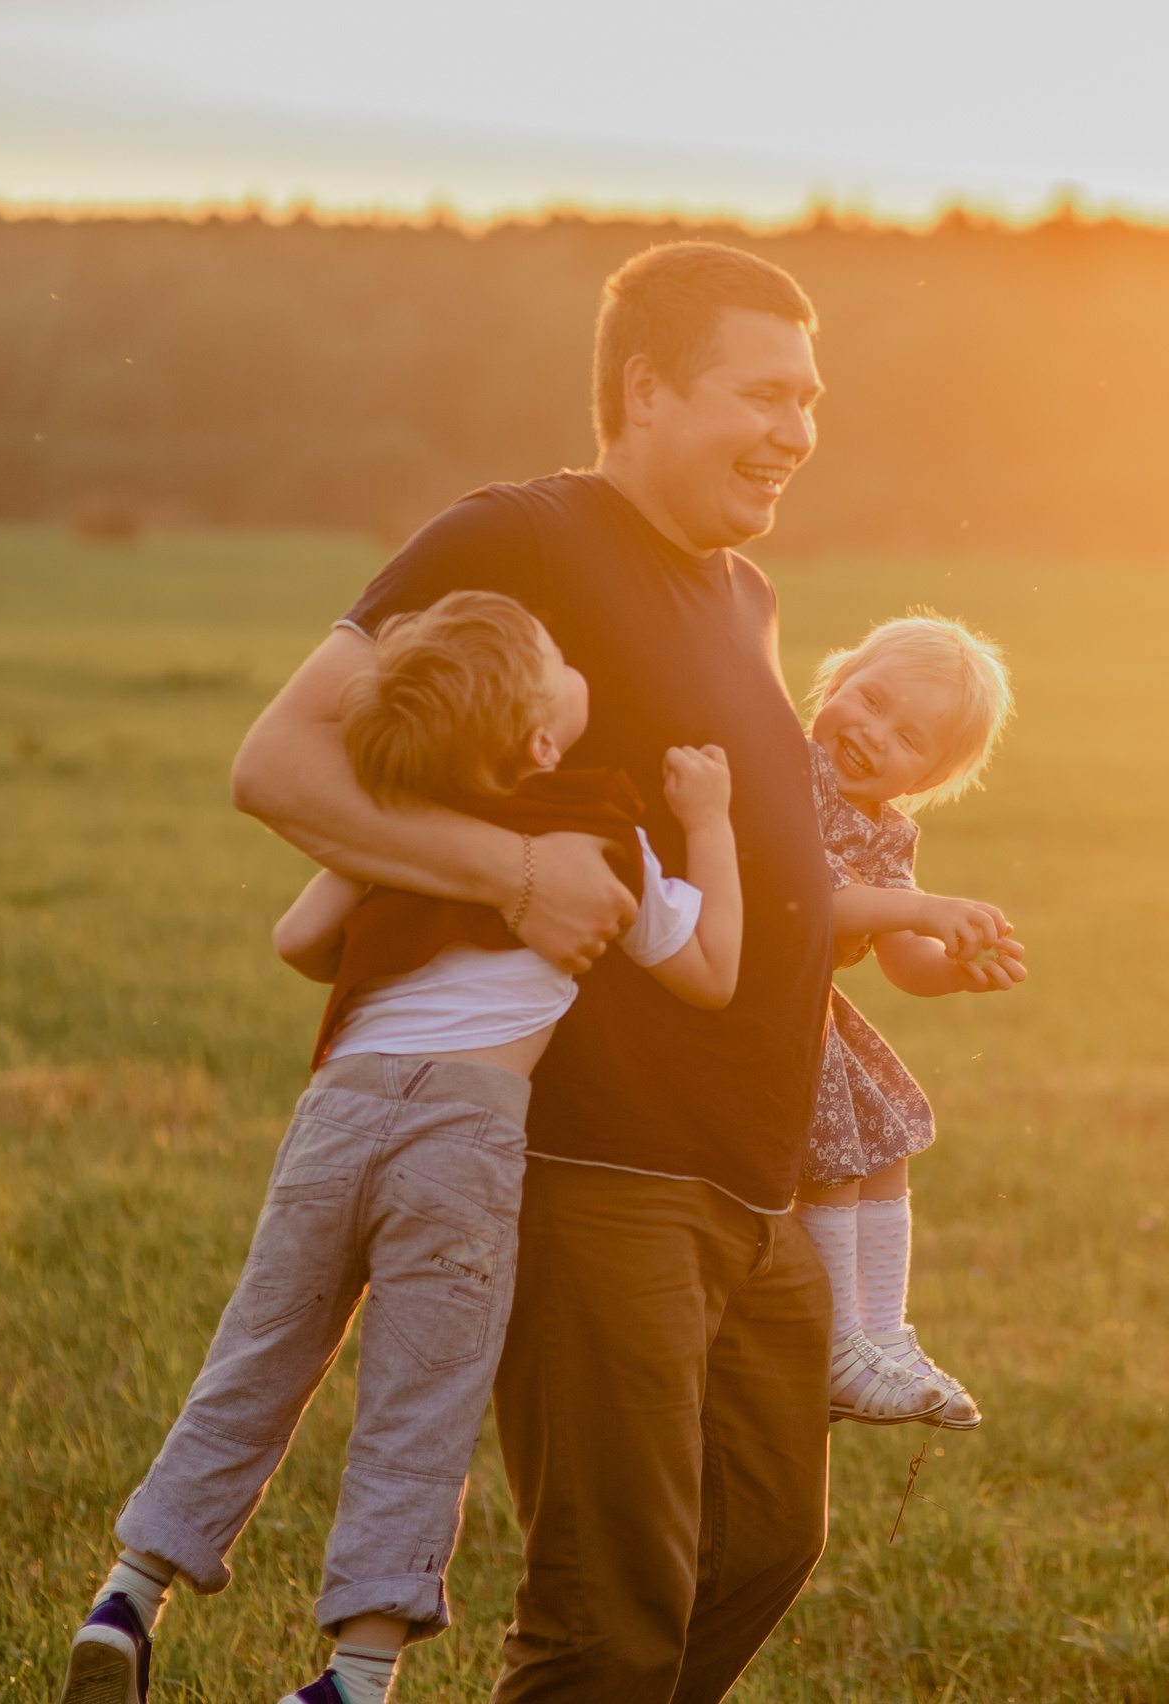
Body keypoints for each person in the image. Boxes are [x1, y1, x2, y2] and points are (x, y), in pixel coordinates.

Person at [229, 241, 837, 1701]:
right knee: (610, 1617)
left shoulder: (744, 596)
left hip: (759, 1174)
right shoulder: (521, 538)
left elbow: (720, 864)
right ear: (644, 389)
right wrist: (512, 871)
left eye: (811, 400)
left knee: (762, 1543)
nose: (797, 433)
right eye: (763, 394)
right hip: (597, 1158)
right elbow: (282, 760)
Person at [56, 590, 741, 1704]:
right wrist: (707, 817)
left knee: (258, 1354)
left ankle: (129, 1595)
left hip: (337, 1113)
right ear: (538, 738)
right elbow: (712, 973)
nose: (577, 669)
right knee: (421, 1397)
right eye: (561, 661)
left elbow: (296, 942)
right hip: (462, 1136)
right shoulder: (603, 827)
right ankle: (355, 1678)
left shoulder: (398, 821)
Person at [788, 613, 1023, 1429]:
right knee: (839, 1157)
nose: (873, 733)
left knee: (886, 1140)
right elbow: (816, 901)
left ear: (927, 775)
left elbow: (903, 961)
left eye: (909, 738)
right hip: (772, 1003)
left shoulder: (888, 834)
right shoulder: (785, 769)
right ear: (838, 678)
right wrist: (925, 904)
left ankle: (885, 1334)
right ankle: (838, 1346)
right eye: (871, 698)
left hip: (812, 1008)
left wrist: (955, 972)